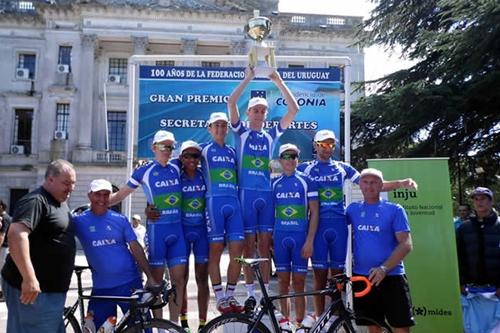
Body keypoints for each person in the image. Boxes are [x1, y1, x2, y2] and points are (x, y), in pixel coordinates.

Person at [297, 129, 418, 318]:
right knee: (319, 275)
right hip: (318, 225)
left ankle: (337, 317)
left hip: (338, 224)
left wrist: (400, 183)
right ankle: (320, 317)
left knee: (337, 276)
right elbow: (292, 184)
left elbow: (373, 183)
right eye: (322, 144)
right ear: (315, 146)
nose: (326, 149)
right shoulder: (305, 168)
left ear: (333, 147)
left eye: (329, 145)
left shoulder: (342, 167)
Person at [227, 67, 300, 305]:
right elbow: (231, 101)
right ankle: (249, 294)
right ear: (248, 113)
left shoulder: (271, 136)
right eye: (255, 110)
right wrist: (248, 78)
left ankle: (265, 293)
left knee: (266, 245)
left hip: (266, 195)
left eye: (262, 111)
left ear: (266, 115)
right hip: (246, 195)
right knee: (249, 247)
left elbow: (294, 109)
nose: (259, 114)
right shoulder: (241, 132)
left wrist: (278, 80)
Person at [110, 130, 186, 323]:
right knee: (156, 285)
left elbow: (196, 158)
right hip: (157, 234)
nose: (167, 150)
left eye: (170, 146)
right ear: (154, 148)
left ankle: (173, 325)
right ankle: (159, 326)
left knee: (179, 282)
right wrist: (97, 204)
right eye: (163, 146)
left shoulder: (178, 166)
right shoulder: (144, 171)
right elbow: (120, 195)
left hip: (177, 233)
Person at [1, 159, 76, 333]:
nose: (71, 188)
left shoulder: (59, 202)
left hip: (50, 293)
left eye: (73, 184)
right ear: (50, 179)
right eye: (66, 183)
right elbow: (16, 234)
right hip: (36, 292)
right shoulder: (36, 201)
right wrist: (29, 278)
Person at [73, 179, 155, 329]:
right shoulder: (79, 221)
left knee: (141, 328)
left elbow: (135, 248)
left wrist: (150, 276)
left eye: (106, 195)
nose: (102, 199)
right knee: (97, 330)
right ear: (89, 195)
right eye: (98, 195)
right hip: (102, 287)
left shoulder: (120, 219)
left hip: (130, 283)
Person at [346, 168, 415, 333]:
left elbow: (406, 244)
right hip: (363, 277)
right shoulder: (352, 209)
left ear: (381, 186)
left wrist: (384, 268)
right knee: (373, 326)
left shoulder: (395, 209)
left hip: (392, 276)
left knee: (400, 326)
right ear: (360, 185)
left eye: (374, 182)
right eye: (365, 182)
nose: (369, 186)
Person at [200, 112, 245, 314]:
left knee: (238, 252)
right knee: (216, 250)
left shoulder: (234, 152)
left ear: (227, 129)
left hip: (233, 203)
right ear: (209, 128)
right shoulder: (202, 151)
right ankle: (219, 297)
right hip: (214, 203)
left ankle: (230, 295)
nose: (219, 129)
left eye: (223, 125)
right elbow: (179, 164)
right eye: (216, 125)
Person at [272, 144, 319, 332]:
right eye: (286, 156)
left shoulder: (307, 181)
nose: (290, 159)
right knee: (283, 281)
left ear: (298, 159)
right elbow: (270, 214)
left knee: (299, 282)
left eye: (293, 156)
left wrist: (309, 241)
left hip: (300, 238)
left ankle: (300, 324)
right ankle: (285, 324)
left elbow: (314, 213)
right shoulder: (274, 183)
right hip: (280, 238)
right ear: (280, 159)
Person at [456, 187, 500, 333]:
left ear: (491, 201)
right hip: (471, 293)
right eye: (476, 199)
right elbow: (459, 257)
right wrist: (461, 282)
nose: (479, 202)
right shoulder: (464, 228)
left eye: (483, 198)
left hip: (497, 292)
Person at [177, 140, 209, 332]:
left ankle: (204, 324)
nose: (191, 159)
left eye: (195, 156)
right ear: (181, 158)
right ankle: (184, 322)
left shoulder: (205, 176)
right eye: (187, 155)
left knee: (201, 278)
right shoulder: (176, 177)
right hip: (181, 231)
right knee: (181, 278)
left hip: (202, 232)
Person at [0, 200, 12, 301]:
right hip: (4, 247)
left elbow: (2, 235)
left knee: (2, 270)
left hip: (4, 247)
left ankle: (4, 294)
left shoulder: (5, 218)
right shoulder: (4, 218)